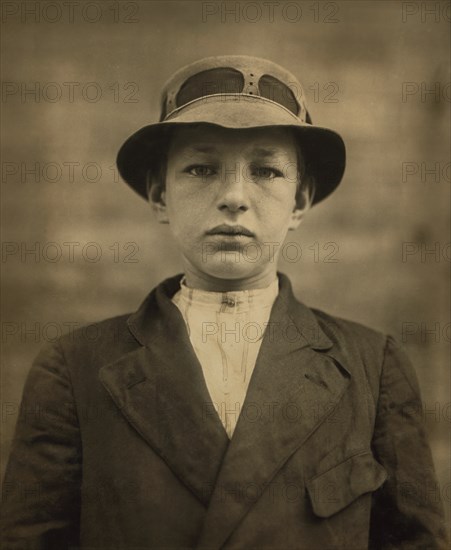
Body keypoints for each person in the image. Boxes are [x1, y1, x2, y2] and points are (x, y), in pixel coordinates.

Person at [1, 55, 447, 550]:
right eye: (201, 168)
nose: (234, 196)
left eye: (265, 171)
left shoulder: (373, 367)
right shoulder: (75, 368)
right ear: (159, 195)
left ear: (299, 201)